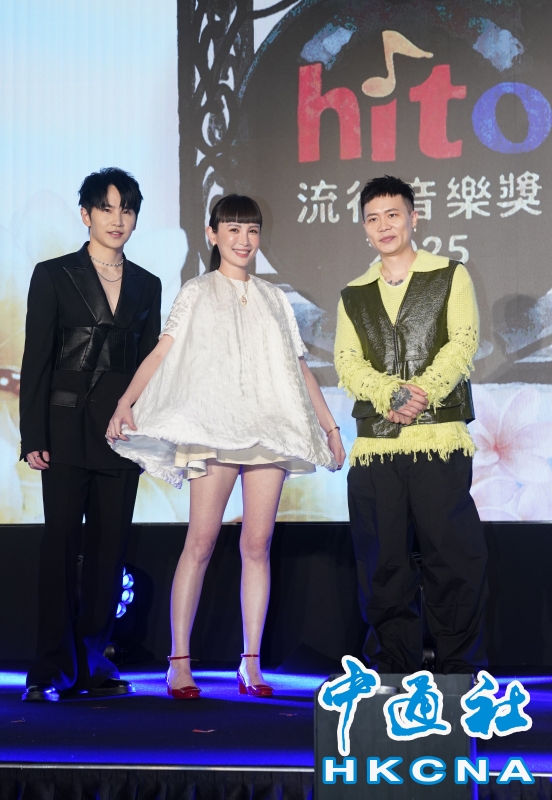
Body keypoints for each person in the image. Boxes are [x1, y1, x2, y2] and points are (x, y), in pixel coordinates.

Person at [108, 194, 345, 698]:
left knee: (257, 545)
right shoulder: (197, 291)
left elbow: (299, 367)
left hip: (269, 432)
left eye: (252, 231)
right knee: (200, 542)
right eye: (233, 229)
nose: (243, 240)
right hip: (214, 430)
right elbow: (163, 352)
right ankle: (179, 662)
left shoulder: (274, 298)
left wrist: (330, 429)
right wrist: (126, 402)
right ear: (212, 234)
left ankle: (251, 663)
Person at [334, 175, 488, 674]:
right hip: (376, 449)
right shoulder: (353, 293)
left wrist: (420, 394)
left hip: (439, 442)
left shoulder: (450, 274)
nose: (384, 226)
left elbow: (463, 341)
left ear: (413, 218)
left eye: (393, 215)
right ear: (364, 228)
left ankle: (459, 669)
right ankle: (392, 669)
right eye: (373, 219)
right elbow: (346, 362)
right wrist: (391, 395)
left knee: (453, 559)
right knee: (383, 566)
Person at [19, 168, 161, 702]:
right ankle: (50, 668)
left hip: (120, 434)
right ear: (86, 214)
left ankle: (94, 662)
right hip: (63, 429)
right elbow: (36, 359)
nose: (117, 219)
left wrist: (148, 437)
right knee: (60, 545)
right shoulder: (53, 274)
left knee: (109, 550)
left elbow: (149, 369)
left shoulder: (147, 283)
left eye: (127, 209)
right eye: (106, 208)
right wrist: (33, 432)